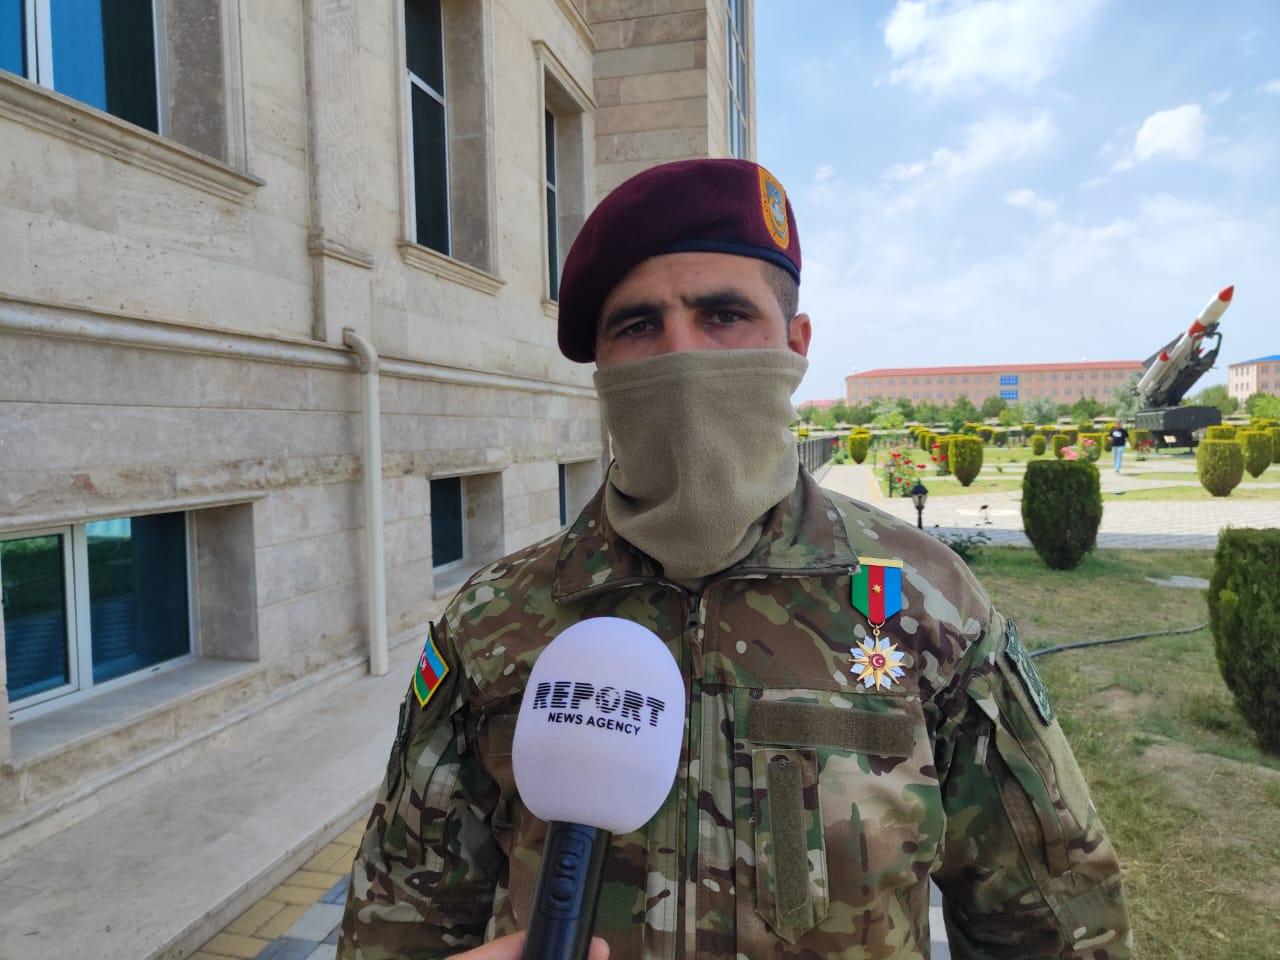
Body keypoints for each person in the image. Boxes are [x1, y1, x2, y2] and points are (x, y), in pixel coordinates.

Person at [338, 159, 1132, 959]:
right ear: (601, 366)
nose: (682, 356)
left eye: (723, 315)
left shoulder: (928, 604)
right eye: (638, 326)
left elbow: (1053, 917)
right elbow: (399, 917)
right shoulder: (494, 622)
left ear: (795, 343)